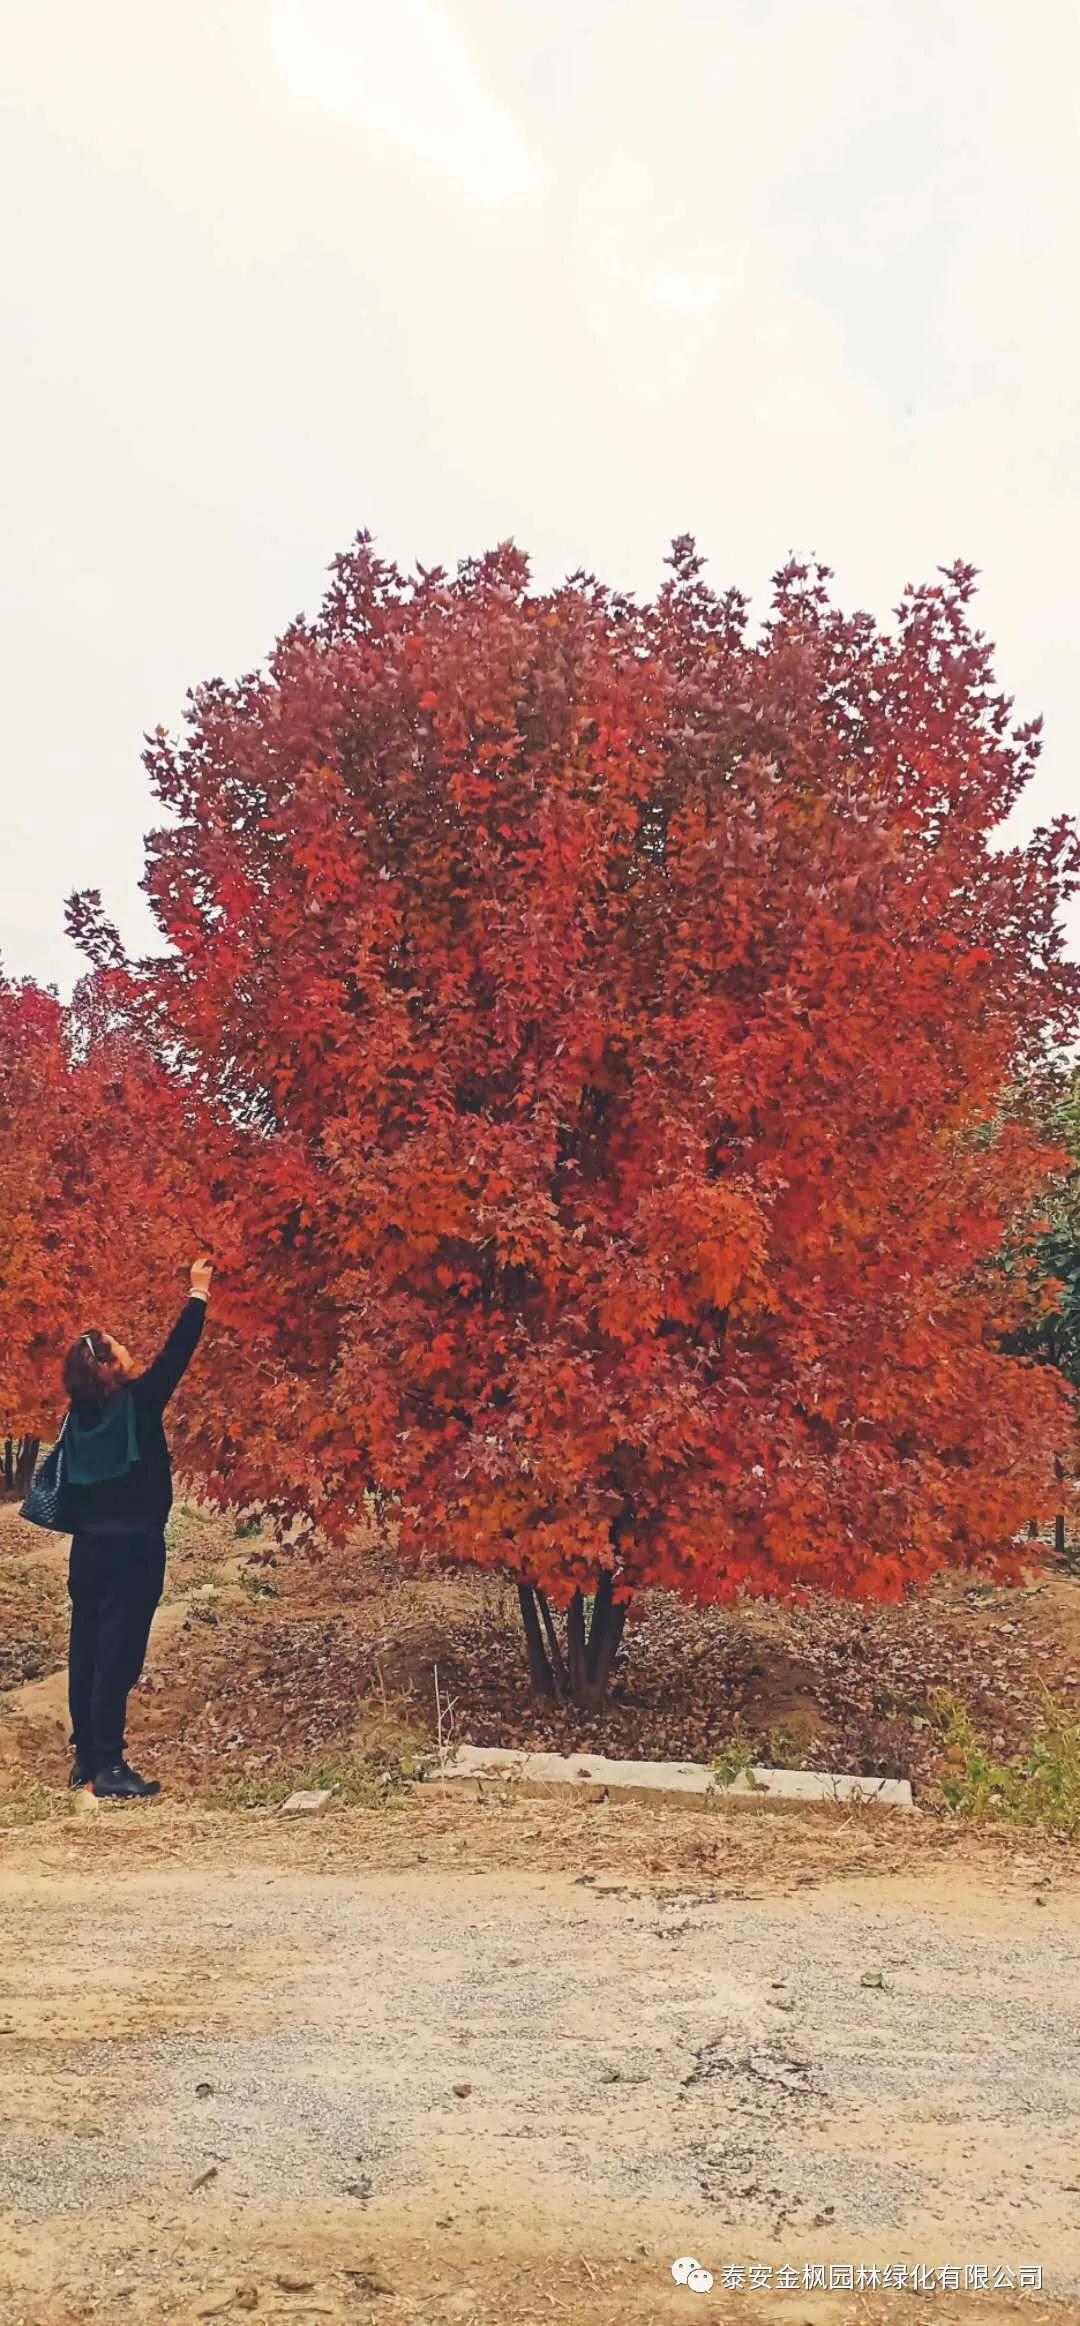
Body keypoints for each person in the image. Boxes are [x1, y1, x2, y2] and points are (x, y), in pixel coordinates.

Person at [62, 1257, 213, 1798]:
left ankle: (86, 1758)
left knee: (86, 1648)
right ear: (107, 1366)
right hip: (134, 1548)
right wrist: (198, 1294)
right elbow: (177, 1355)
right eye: (117, 1345)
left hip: (88, 1549)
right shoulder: (138, 1405)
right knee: (119, 1653)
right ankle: (109, 1766)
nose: (128, 1348)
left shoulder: (78, 1418)